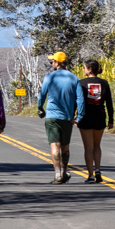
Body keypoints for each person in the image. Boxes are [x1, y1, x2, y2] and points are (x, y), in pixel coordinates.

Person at [36, 51, 85, 184]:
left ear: (57, 63)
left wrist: (40, 108)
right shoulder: (74, 78)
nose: (52, 63)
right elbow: (80, 99)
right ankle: (64, 171)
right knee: (65, 147)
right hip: (67, 118)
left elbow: (42, 95)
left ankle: (57, 174)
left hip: (52, 116)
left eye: (52, 61)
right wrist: (79, 116)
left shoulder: (50, 77)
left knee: (55, 145)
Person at [77, 59, 115, 183]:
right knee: (97, 145)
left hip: (85, 117)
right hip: (100, 116)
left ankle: (90, 175)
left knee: (88, 147)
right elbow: (109, 102)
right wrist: (111, 120)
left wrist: (74, 116)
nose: (83, 70)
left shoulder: (81, 83)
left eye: (84, 68)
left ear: (89, 69)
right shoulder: (104, 83)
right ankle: (98, 170)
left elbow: (77, 101)